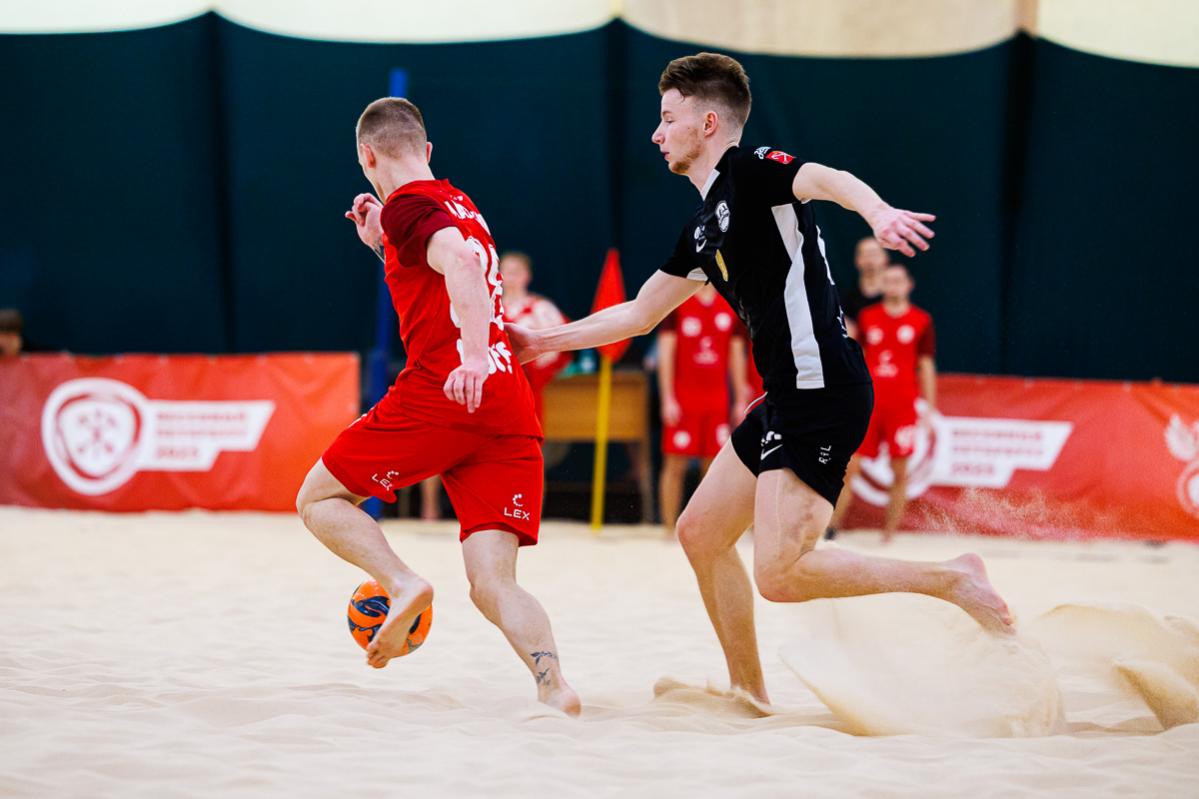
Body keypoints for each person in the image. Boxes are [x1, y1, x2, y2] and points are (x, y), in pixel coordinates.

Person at [508, 52, 1012, 704]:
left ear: (708, 123)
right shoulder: (701, 227)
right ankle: (749, 692)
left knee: (780, 573)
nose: (656, 134)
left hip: (822, 387)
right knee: (699, 533)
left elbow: (825, 178)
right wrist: (542, 341)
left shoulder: (751, 170)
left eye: (668, 118)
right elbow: (638, 313)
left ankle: (954, 579)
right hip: (785, 394)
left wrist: (878, 211)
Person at [295, 97, 579, 715]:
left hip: (448, 388)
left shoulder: (408, 204)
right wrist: (382, 245)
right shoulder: (459, 203)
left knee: (317, 500)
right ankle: (554, 684)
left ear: (367, 157)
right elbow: (444, 271)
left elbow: (460, 265)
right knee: (493, 582)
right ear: (426, 150)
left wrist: (471, 357)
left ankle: (402, 582)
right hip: (507, 402)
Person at [829, 264, 937, 542]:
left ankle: (888, 535)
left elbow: (925, 365)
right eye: (888, 281)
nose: (893, 285)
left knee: (899, 471)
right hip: (869, 405)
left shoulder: (921, 320)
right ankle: (832, 527)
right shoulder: (868, 317)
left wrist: (930, 407)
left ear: (909, 285)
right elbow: (857, 357)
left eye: (898, 280)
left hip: (902, 406)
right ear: (882, 285)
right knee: (848, 467)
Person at [657, 283, 748, 535]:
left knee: (714, 470)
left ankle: (707, 530)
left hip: (717, 400)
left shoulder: (730, 303)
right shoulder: (677, 302)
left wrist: (740, 399)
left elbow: (736, 355)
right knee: (675, 465)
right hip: (684, 400)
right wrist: (667, 398)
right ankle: (668, 529)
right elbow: (666, 354)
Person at [840, 237, 888, 340]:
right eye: (865, 255)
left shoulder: (897, 298)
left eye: (874, 254)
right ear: (857, 260)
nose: (870, 260)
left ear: (885, 258)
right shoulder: (846, 301)